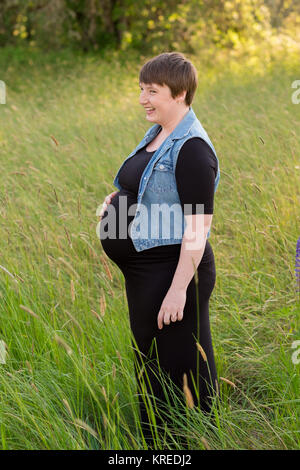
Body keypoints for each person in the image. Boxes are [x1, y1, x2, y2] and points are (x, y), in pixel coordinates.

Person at [97, 52, 220, 448]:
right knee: (152, 366)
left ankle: (192, 444)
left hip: (174, 271)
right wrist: (113, 203)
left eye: (152, 91)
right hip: (146, 272)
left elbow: (197, 232)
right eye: (141, 90)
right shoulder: (160, 132)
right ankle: (156, 446)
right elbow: (138, 186)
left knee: (184, 367)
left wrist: (178, 290)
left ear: (181, 93)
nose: (143, 99)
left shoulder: (194, 150)